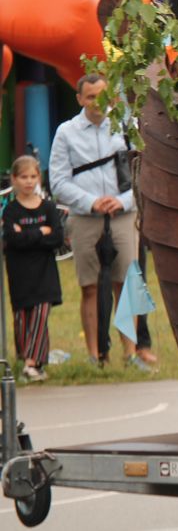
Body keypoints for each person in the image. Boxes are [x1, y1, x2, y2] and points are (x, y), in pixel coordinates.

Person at [49, 73, 151, 371]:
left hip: (123, 214)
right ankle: (95, 356)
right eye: (90, 96)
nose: (96, 102)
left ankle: (130, 353)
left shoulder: (126, 126)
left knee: (126, 283)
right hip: (85, 217)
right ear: (79, 98)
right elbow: (58, 181)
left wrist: (123, 201)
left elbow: (144, 172)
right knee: (90, 286)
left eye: (101, 96)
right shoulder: (66, 132)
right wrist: (91, 202)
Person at [2, 156, 63, 382]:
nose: (28, 181)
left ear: (39, 178)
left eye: (33, 176)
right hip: (20, 273)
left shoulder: (48, 207)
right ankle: (31, 361)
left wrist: (27, 235)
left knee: (40, 314)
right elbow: (13, 240)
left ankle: (31, 362)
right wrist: (40, 232)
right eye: (23, 177)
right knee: (23, 318)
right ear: (14, 179)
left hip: (44, 272)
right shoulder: (11, 211)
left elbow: (57, 238)